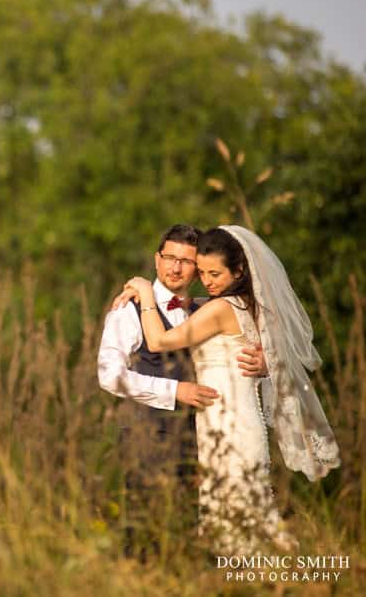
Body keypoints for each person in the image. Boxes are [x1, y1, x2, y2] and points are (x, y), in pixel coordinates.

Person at [122, 225, 341, 553]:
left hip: (231, 424)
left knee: (237, 518)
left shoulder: (221, 308)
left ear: (239, 270)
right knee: (237, 515)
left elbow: (159, 341)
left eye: (216, 274)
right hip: (226, 420)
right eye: (203, 272)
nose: (208, 281)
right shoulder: (246, 304)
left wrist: (146, 292)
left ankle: (276, 576)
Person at [98, 224, 266, 553]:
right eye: (169, 258)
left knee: (193, 538)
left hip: (206, 440)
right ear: (156, 259)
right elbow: (109, 375)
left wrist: (264, 365)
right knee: (147, 536)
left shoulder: (209, 308)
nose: (175, 268)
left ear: (199, 268)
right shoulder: (128, 309)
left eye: (186, 261)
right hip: (150, 436)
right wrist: (175, 391)